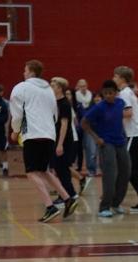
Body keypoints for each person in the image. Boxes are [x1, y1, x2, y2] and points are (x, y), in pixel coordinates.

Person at [9, 60, 76, 222]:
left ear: (31, 72)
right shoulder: (48, 90)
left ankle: (50, 207)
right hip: (49, 134)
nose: (23, 73)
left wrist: (15, 130)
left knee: (32, 173)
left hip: (32, 134)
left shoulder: (21, 87)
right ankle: (68, 199)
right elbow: (55, 114)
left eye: (25, 70)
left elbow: (17, 114)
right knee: (44, 171)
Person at [82, 80, 130, 218]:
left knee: (126, 172)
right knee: (110, 174)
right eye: (105, 93)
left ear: (116, 93)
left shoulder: (121, 103)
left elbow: (119, 120)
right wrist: (96, 138)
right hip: (106, 143)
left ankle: (116, 203)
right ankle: (104, 207)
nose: (108, 95)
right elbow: (84, 123)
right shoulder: (99, 107)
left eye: (111, 93)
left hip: (120, 142)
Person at [114, 66, 138, 213]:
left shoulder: (124, 94)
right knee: (137, 169)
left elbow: (128, 113)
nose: (114, 79)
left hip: (134, 134)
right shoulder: (127, 92)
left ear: (122, 78)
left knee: (129, 169)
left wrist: (110, 114)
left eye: (115, 76)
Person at [49, 77, 80, 212]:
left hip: (64, 141)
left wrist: (60, 144)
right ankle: (67, 195)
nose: (51, 87)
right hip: (55, 140)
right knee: (59, 169)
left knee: (62, 170)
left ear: (60, 88)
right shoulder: (53, 103)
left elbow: (64, 125)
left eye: (53, 85)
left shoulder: (64, 104)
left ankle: (70, 195)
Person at [75, 79, 98, 177]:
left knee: (91, 149)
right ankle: (78, 167)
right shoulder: (74, 97)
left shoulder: (92, 96)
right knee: (77, 149)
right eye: (81, 86)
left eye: (84, 85)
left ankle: (92, 170)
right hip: (77, 127)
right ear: (77, 86)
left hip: (89, 127)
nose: (83, 88)